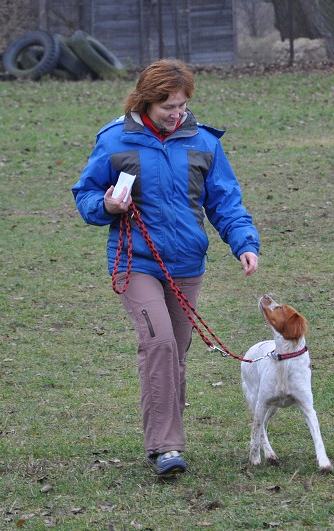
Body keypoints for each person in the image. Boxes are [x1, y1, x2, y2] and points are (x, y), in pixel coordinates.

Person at [72, 59, 259, 477]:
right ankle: (165, 448)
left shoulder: (204, 142)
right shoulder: (115, 139)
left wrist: (244, 243)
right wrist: (105, 204)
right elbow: (85, 194)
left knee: (175, 353)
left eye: (182, 105)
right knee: (157, 344)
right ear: (144, 102)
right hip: (134, 261)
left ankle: (167, 440)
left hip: (187, 264)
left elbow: (225, 202)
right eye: (166, 107)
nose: (176, 114)